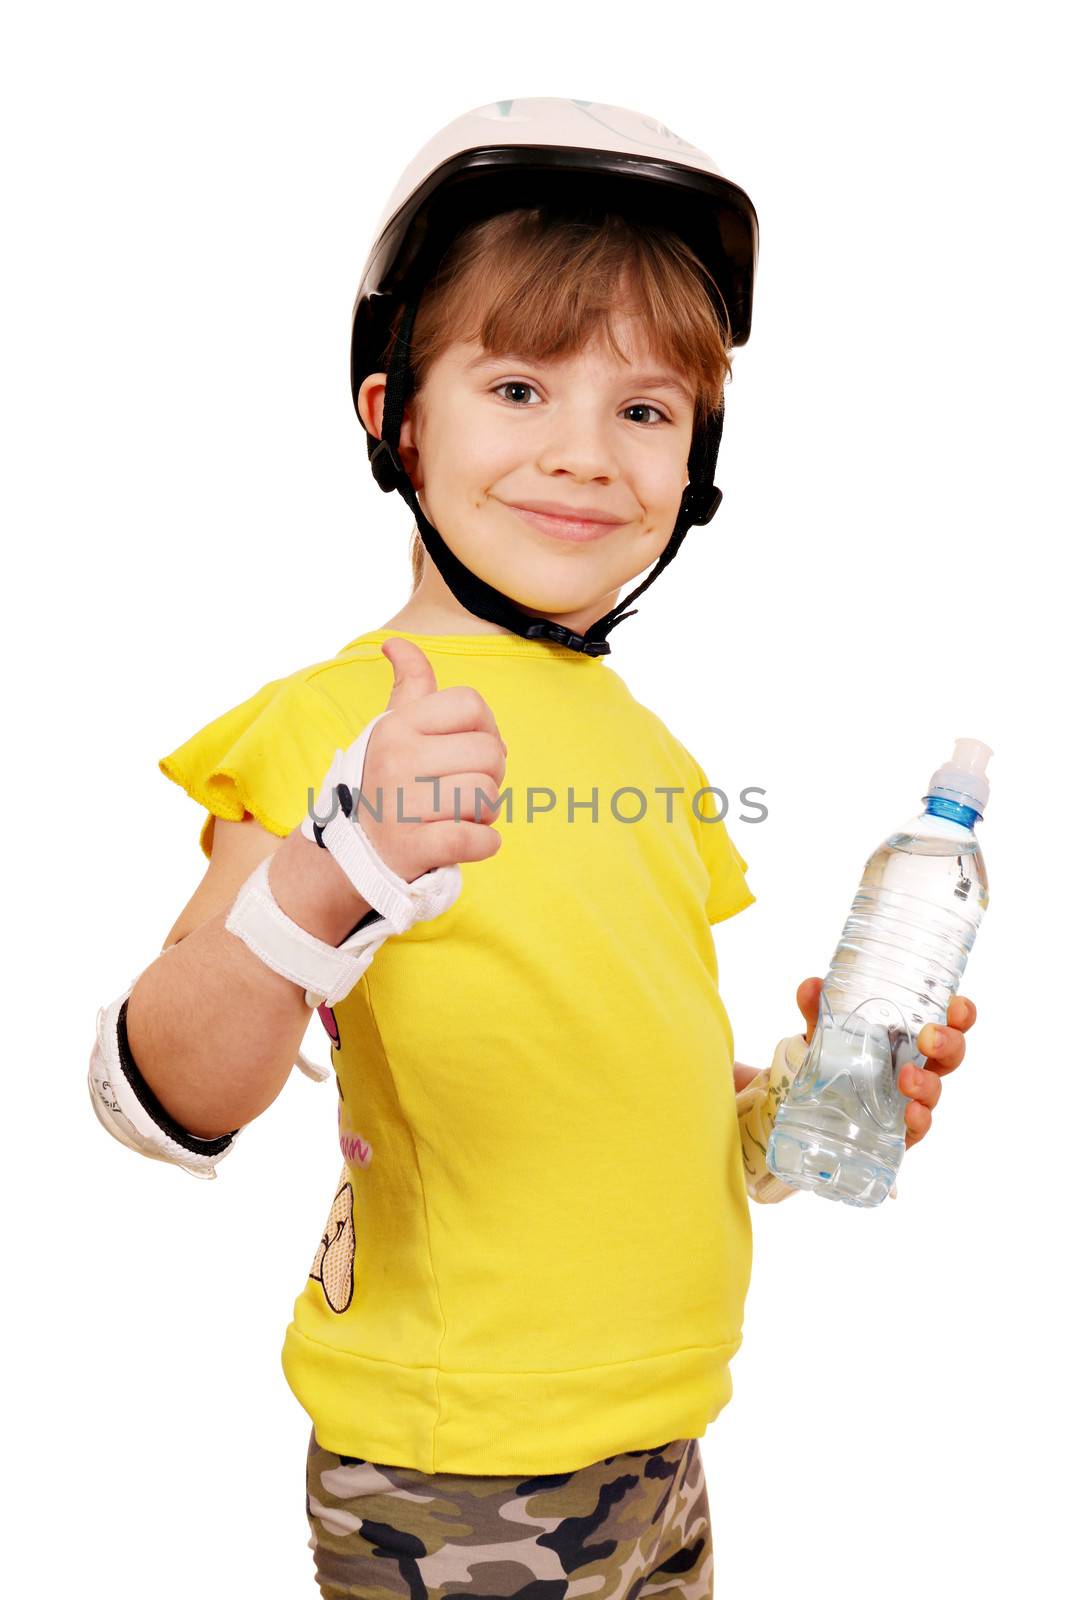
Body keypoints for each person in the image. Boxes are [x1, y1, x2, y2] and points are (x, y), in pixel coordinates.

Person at [88, 98, 975, 1599]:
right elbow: (151, 1096)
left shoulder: (647, 751)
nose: (583, 454)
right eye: (516, 386)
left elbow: (634, 1101)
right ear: (396, 415)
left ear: (698, 460)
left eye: (642, 410)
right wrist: (332, 874)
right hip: (454, 1466)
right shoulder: (339, 727)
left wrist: (804, 1115)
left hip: (664, 1437)